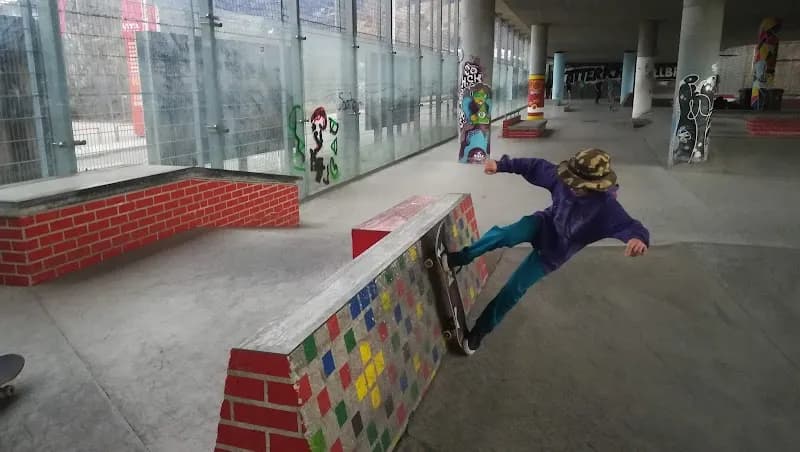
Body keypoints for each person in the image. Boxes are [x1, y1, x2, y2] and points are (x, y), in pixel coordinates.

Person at [446, 149, 650, 354]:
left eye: (578, 186)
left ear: (595, 186)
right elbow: (534, 166)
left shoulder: (607, 208)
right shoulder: (562, 179)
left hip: (556, 252)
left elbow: (630, 226)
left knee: (513, 289)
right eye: (571, 181)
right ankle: (461, 258)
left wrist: (637, 239)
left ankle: (479, 332)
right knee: (506, 235)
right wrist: (501, 165)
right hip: (543, 224)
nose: (571, 187)